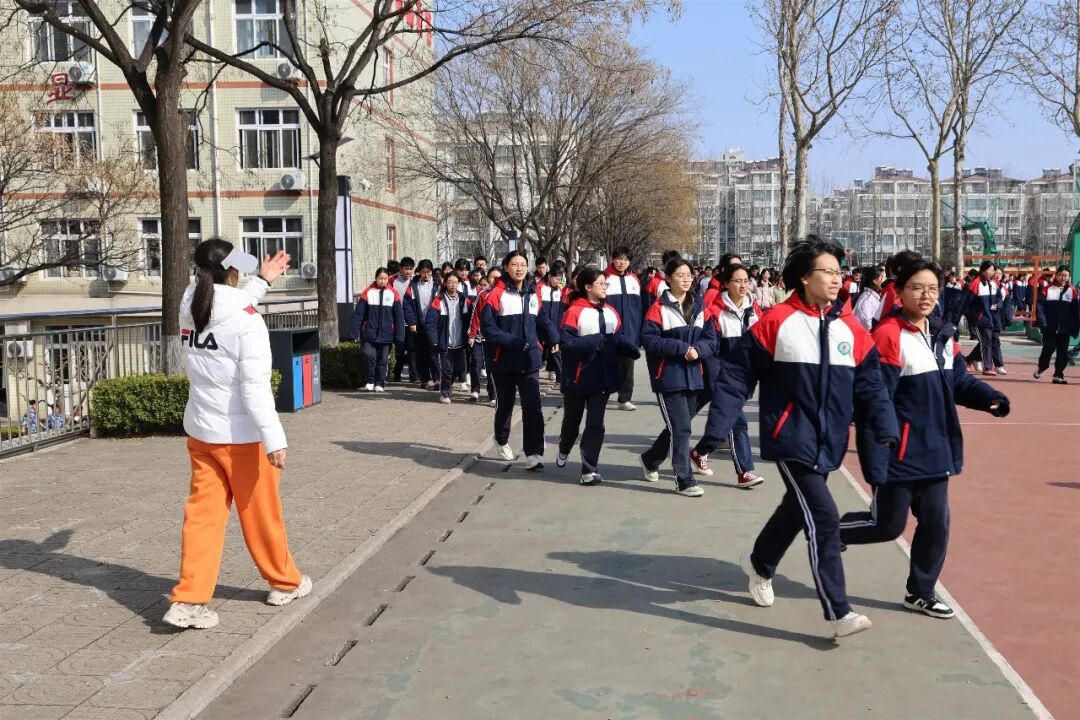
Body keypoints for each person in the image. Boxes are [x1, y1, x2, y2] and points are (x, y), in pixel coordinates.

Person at [695, 238, 898, 638]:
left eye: (840, 272)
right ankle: (838, 612)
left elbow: (872, 386)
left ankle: (759, 563)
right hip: (789, 436)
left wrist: (885, 426)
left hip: (829, 439)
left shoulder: (851, 329)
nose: (837, 279)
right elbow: (737, 377)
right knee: (823, 517)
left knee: (796, 508)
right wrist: (717, 429)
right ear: (805, 277)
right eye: (828, 272)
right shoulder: (776, 321)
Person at [842, 259, 1009, 619]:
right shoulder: (888, 335)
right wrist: (877, 452)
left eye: (932, 288)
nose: (926, 295)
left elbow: (959, 381)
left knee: (937, 523)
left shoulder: (942, 334)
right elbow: (876, 399)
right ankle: (828, 530)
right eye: (917, 287)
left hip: (936, 448)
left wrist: (989, 398)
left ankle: (920, 592)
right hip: (899, 450)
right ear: (899, 292)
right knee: (887, 526)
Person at [164, 239, 308, 630]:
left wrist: (263, 280)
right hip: (243, 437)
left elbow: (229, 306)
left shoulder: (189, 305)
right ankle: (284, 583)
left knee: (202, 519)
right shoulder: (247, 320)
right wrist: (275, 439)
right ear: (231, 272)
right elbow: (255, 387)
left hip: (202, 434)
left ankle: (188, 600)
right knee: (261, 515)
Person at [640, 258, 717, 497]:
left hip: (694, 376)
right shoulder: (658, 308)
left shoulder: (700, 307)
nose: (686, 279)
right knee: (681, 428)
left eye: (689, 275)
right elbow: (649, 340)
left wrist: (699, 350)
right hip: (668, 377)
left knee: (678, 427)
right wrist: (682, 348)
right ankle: (684, 480)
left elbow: (711, 339)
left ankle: (651, 459)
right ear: (669, 278)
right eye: (680, 275)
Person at [556, 266, 641, 485]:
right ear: (587, 287)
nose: (605, 287)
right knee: (572, 422)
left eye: (606, 284)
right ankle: (564, 448)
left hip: (603, 378)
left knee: (595, 424)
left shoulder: (611, 312)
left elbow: (616, 337)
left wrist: (629, 347)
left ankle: (589, 469)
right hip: (577, 378)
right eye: (600, 284)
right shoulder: (574, 311)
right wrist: (594, 340)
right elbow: (566, 344)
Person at [481, 251, 559, 469]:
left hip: (529, 359)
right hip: (502, 361)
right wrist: (513, 342)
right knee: (505, 406)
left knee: (533, 407)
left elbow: (542, 319)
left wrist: (554, 336)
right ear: (506, 267)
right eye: (514, 264)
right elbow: (488, 328)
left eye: (523, 264)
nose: (519, 268)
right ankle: (501, 439)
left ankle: (533, 453)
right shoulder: (496, 294)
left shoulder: (534, 292)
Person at [689, 263, 764, 488]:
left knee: (723, 423)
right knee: (738, 423)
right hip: (720, 376)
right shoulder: (715, 311)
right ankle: (745, 472)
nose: (743, 285)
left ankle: (698, 451)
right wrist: (719, 378)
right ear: (726, 284)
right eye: (737, 281)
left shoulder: (754, 310)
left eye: (746, 281)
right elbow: (711, 348)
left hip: (744, 376)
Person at [349, 267, 406, 392]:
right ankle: (370, 381)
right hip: (369, 333)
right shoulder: (368, 292)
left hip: (387, 334)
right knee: (369, 356)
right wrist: (353, 333)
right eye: (380, 278)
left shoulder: (393, 293)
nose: (383, 281)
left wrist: (399, 337)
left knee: (383, 360)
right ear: (376, 278)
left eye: (385, 279)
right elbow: (358, 314)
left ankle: (379, 383)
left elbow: (398, 317)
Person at [604, 246, 644, 411]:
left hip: (630, 331)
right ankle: (600, 395)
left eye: (626, 260)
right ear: (613, 259)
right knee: (606, 365)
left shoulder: (634, 279)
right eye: (619, 258)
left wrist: (638, 332)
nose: (622, 262)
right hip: (609, 331)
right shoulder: (604, 278)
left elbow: (639, 308)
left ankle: (624, 399)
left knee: (628, 367)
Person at [426, 273, 471, 403]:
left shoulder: (464, 299)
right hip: (445, 341)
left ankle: (447, 386)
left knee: (460, 368)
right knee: (446, 370)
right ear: (445, 283)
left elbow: (470, 319)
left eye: (455, 282)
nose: (453, 285)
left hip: (460, 341)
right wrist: (434, 338)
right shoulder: (438, 300)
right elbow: (431, 322)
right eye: (450, 282)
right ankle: (444, 394)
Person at [1034, 265, 1079, 385]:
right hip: (1050, 328)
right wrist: (1043, 324)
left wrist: (1074, 327)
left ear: (1068, 277)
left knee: (1062, 353)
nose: (1063, 278)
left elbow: (1075, 311)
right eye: (1060, 275)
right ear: (1056, 275)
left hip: (1065, 329)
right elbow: (1040, 308)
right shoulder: (1047, 289)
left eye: (1065, 275)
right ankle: (1042, 367)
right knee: (1047, 350)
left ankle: (1058, 375)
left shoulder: (1072, 290)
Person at [964, 260, 1005, 376]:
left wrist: (997, 305)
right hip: (980, 319)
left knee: (990, 341)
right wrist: (972, 316)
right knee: (985, 342)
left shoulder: (993, 283)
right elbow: (966, 302)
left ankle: (967, 360)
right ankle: (987, 367)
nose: (990, 272)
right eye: (988, 270)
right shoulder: (976, 283)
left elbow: (999, 298)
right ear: (982, 270)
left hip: (992, 318)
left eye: (992, 270)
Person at [468, 267, 502, 405]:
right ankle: (475, 389)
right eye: (492, 277)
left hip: (496, 338)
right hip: (480, 337)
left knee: (492, 368)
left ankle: (492, 394)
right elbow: (475, 315)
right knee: (476, 363)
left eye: (497, 277)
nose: (495, 279)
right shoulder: (482, 294)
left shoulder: (505, 294)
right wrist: (472, 334)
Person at [404, 259, 439, 388]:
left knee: (434, 352)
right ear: (419, 272)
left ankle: (437, 378)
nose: (426, 275)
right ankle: (425, 379)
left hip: (433, 325)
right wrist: (412, 322)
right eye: (423, 272)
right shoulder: (413, 285)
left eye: (428, 272)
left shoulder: (437, 285)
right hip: (419, 324)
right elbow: (407, 305)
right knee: (421, 353)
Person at [539, 261, 566, 382]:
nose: (557, 281)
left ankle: (558, 376)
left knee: (555, 351)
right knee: (540, 351)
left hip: (554, 326)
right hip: (541, 325)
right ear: (549, 276)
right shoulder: (540, 287)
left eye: (559, 279)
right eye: (556, 278)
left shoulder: (559, 291)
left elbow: (561, 309)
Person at [390, 257, 415, 383]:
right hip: (396, 321)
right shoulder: (392, 280)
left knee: (412, 350)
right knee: (399, 349)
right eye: (406, 268)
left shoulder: (415, 281)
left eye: (410, 269)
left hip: (411, 322)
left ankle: (413, 376)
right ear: (400, 269)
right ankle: (396, 374)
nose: (408, 271)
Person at [852, 265, 885, 331]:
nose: (885, 280)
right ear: (875, 280)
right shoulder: (867, 300)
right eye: (883, 277)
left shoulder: (872, 296)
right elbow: (867, 325)